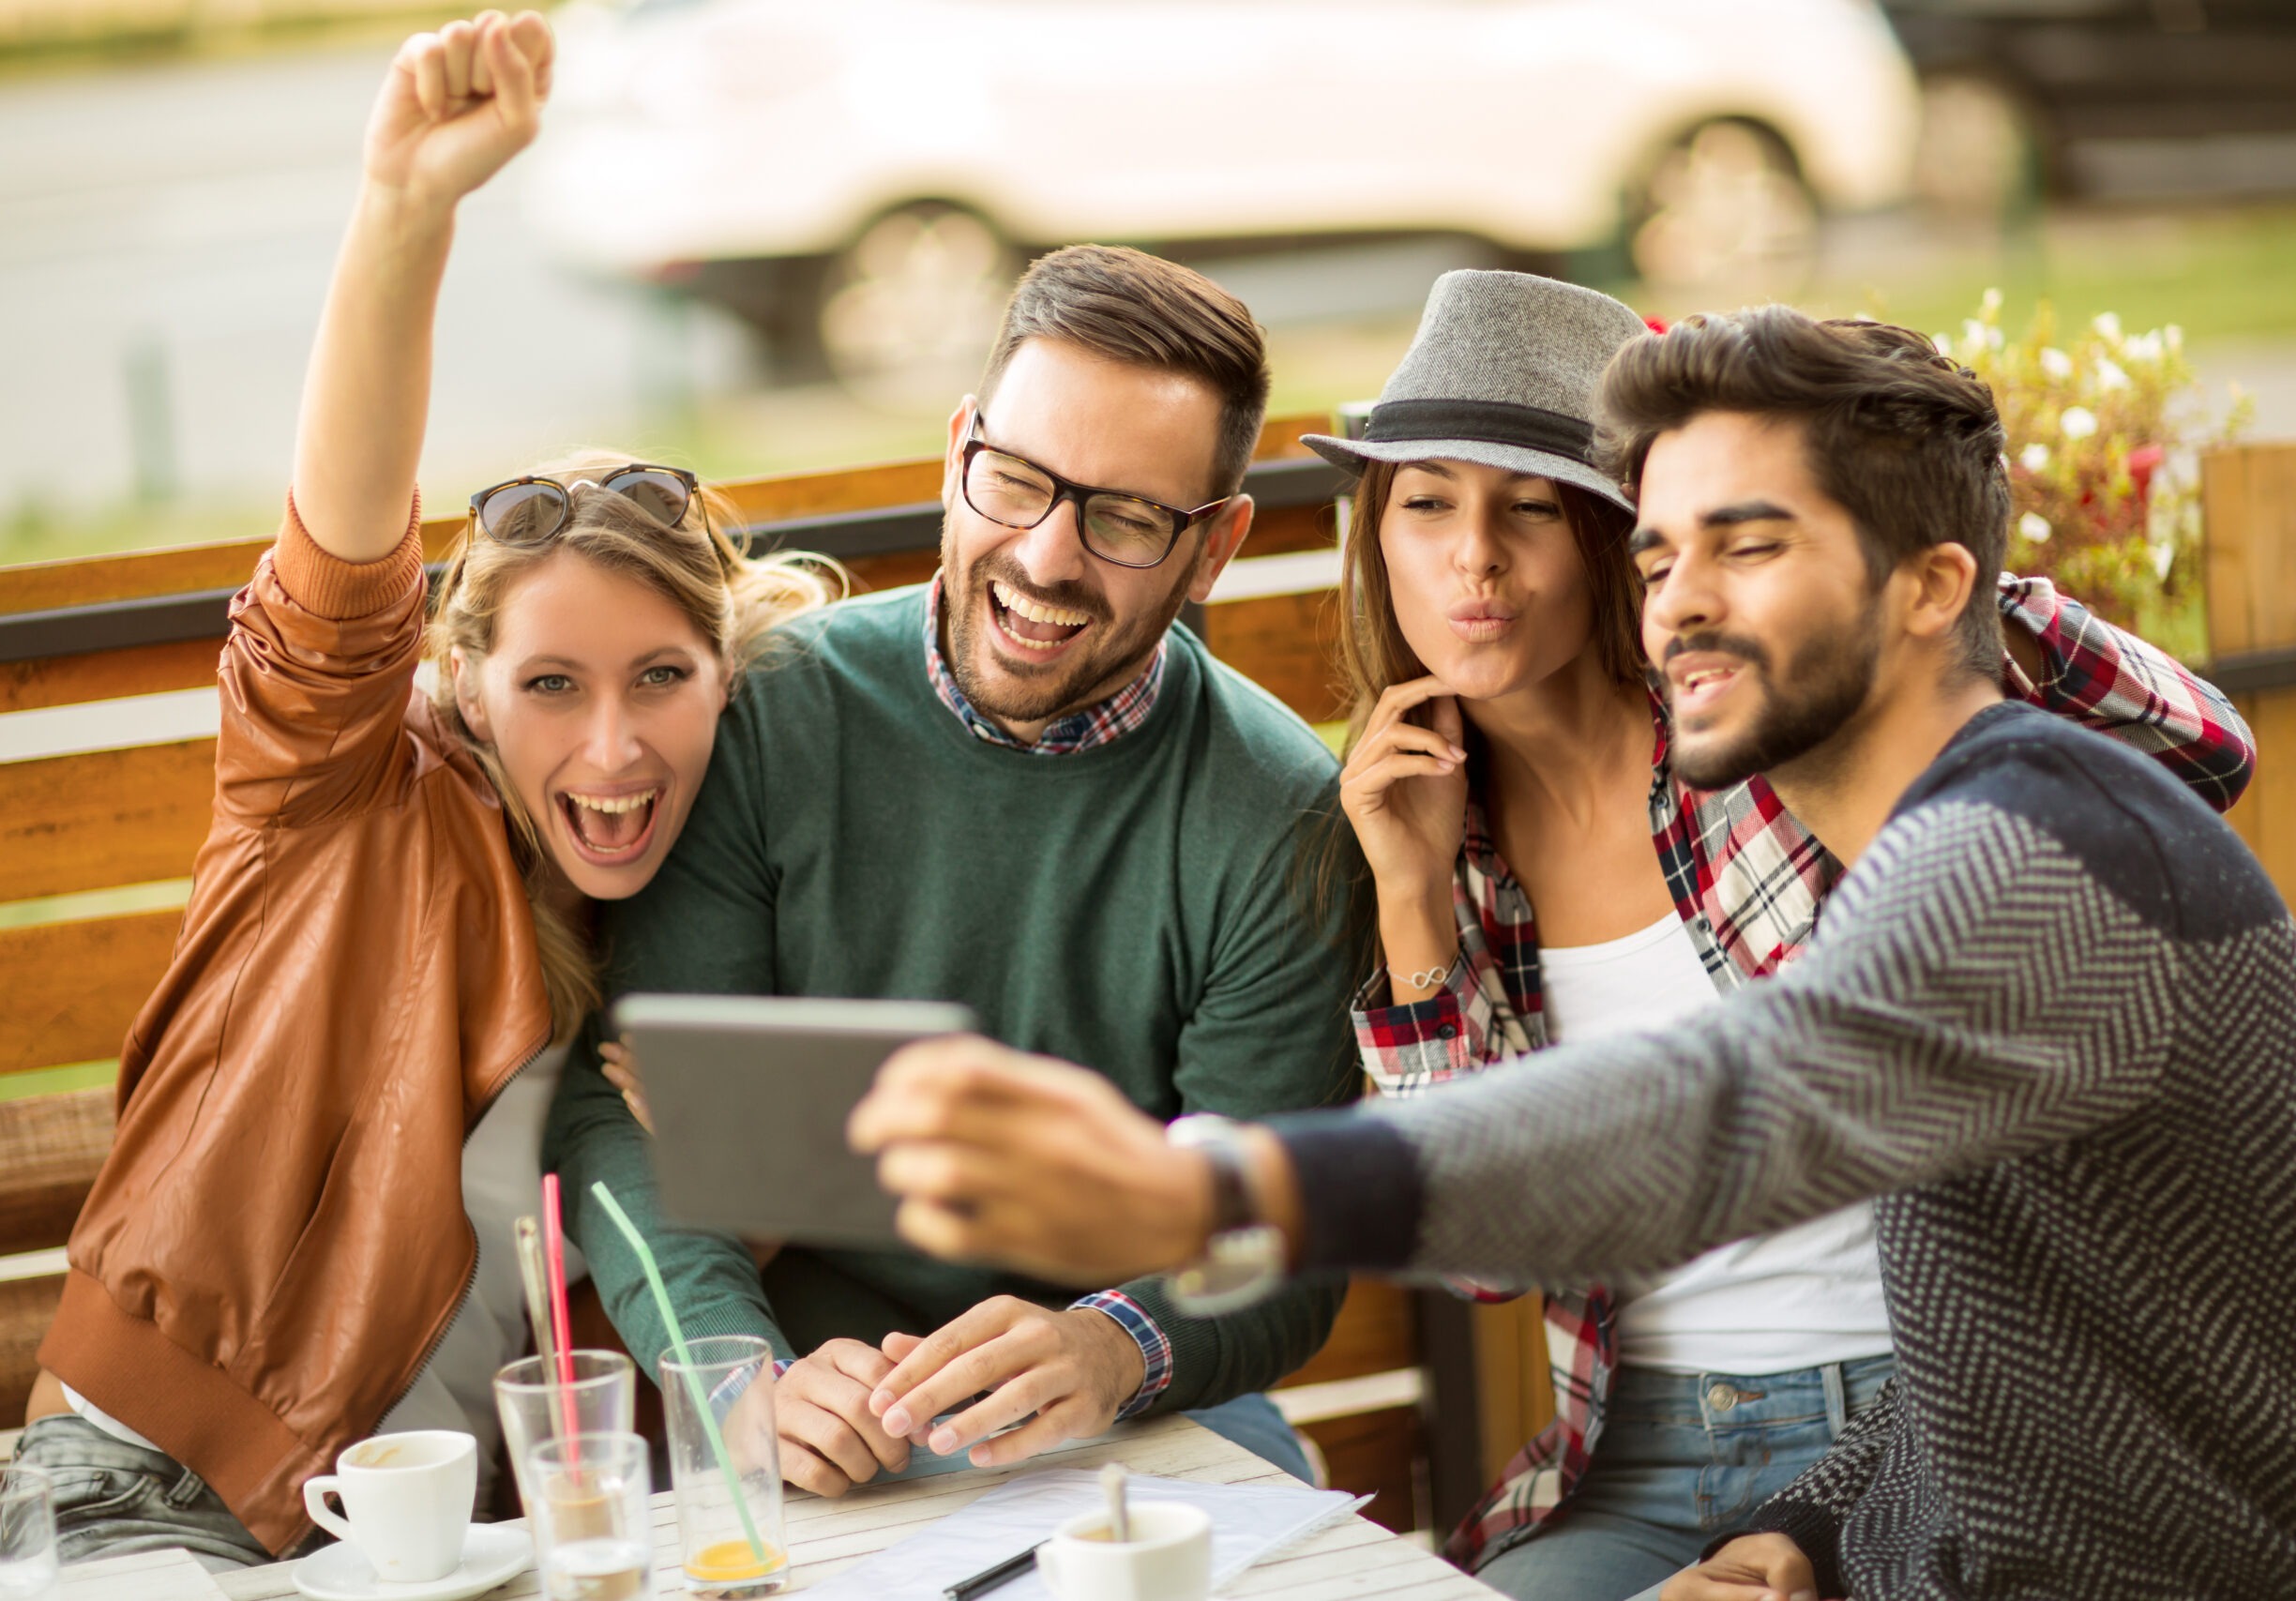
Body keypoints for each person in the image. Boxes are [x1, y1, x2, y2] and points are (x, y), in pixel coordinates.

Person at [851, 308, 2296, 1601]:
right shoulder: (1917, 873)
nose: (1678, 601)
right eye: (1664, 552)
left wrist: (1207, 1186)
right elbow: (1977, 1351)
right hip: (1842, 1500)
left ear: (1932, 588)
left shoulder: (2030, 848)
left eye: (1752, 543)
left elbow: (1735, 1106)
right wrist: (1806, 1526)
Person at [1299, 272, 2252, 1597]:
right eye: (1425, 505)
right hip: (1641, 1448)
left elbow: (2201, 756)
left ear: (1608, 529)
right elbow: (1487, 1257)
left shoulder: (1777, 732)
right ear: (1375, 535)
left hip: (1917, 1418)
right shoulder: (1424, 828)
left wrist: (1905, 558)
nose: (1475, 560)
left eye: (1530, 505)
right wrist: (1408, 895)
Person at [23, 13, 835, 1566]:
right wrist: (409, 209)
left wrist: (770, 1166)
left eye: (661, 679)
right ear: (460, 685)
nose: (612, 752)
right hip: (164, 1511)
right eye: (551, 686)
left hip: (463, 1540)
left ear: (725, 678)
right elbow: (336, 567)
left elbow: (667, 1280)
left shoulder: (701, 900)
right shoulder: (342, 801)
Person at [548, 243, 1360, 1497]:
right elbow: (616, 1114)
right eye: (1017, 480)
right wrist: (733, 1374)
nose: (1045, 556)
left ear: (1214, 548)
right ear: (958, 452)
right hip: (819, 1401)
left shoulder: (1277, 816)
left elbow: (1265, 1246)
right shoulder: (764, 717)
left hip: (1129, 1413)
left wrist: (1113, 1342)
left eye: (1128, 518)